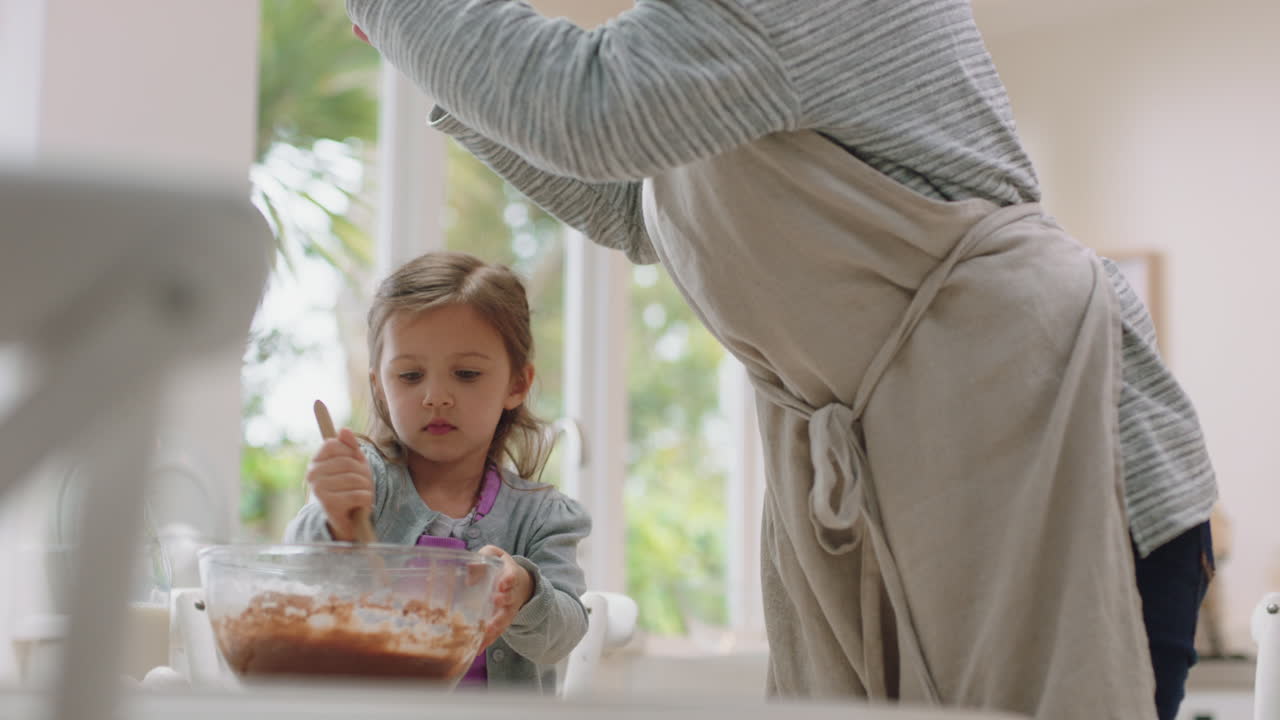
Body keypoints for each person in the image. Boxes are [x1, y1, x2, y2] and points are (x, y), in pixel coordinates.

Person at [343, 1, 1217, 717]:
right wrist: (447, 83)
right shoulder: (714, 40)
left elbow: (589, 111)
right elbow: (635, 211)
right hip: (915, 473)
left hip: (1042, 445)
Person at [285, 251, 590, 693]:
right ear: (380, 388)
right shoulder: (366, 484)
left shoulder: (544, 517)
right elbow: (302, 582)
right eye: (410, 376)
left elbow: (563, 634)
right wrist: (333, 522)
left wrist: (524, 592)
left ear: (516, 385)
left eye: (466, 374)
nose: (436, 396)